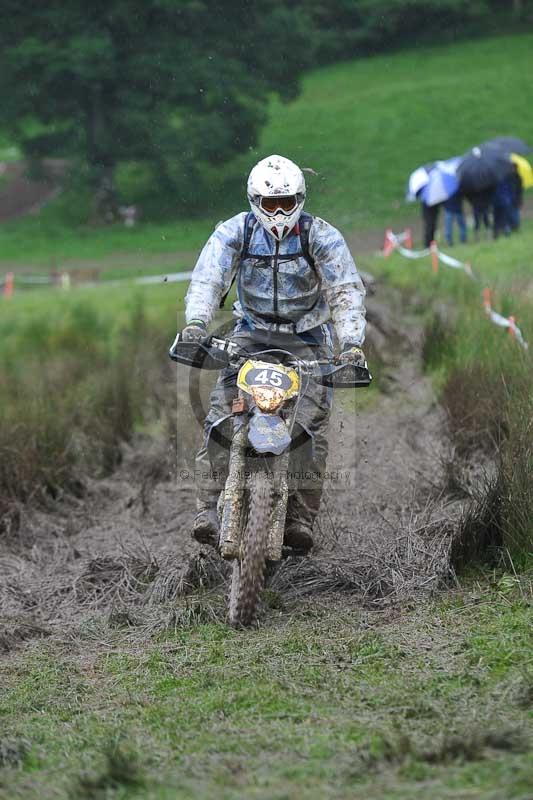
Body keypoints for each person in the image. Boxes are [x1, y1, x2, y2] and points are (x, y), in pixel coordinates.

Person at [180, 154, 367, 553]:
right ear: (255, 201)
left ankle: (300, 516)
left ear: (300, 199)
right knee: (220, 416)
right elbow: (208, 279)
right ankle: (207, 507)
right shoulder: (235, 232)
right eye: (271, 204)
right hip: (250, 334)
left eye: (286, 203)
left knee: (310, 429)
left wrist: (351, 345)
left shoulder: (321, 236)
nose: (279, 213)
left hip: (309, 338)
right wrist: (196, 324)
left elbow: (345, 291)